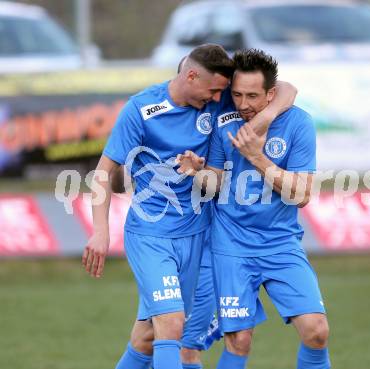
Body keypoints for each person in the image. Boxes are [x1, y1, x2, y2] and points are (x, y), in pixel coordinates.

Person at [82, 43, 297, 369]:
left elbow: (286, 89)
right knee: (172, 326)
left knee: (147, 337)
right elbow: (103, 173)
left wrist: (262, 119)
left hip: (198, 237)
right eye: (212, 91)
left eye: (220, 93)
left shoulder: (215, 95)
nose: (216, 100)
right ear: (191, 76)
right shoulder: (141, 109)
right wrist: (100, 231)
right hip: (152, 236)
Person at [177, 49, 331, 369]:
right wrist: (197, 172)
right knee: (239, 339)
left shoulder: (298, 123)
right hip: (230, 245)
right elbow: (219, 182)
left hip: (280, 243)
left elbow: (302, 195)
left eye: (252, 96)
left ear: (271, 94)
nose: (243, 104)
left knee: (317, 332)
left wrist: (258, 157)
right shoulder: (224, 120)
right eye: (236, 95)